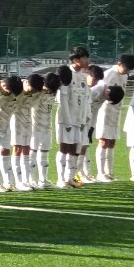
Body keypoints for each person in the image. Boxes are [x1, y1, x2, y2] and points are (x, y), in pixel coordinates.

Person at [94, 54, 134, 182]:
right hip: (105, 111)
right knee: (103, 141)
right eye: (126, 69)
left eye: (129, 70)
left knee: (112, 141)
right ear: (119, 64)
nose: (127, 72)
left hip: (117, 111)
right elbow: (101, 92)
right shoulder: (108, 74)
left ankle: (109, 172)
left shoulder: (124, 75)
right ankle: (100, 173)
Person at [54, 46, 91, 188]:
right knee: (64, 147)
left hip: (79, 119)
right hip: (66, 119)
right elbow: (62, 100)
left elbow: (85, 99)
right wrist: (68, 121)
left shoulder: (83, 76)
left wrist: (84, 118)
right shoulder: (65, 74)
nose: (87, 60)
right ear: (76, 59)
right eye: (84, 58)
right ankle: (60, 179)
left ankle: (70, 178)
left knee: (75, 149)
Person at [10, 74, 43, 192]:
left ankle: (26, 180)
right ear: (27, 83)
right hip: (16, 121)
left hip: (28, 121)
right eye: (32, 90)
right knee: (17, 149)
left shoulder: (36, 92)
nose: (33, 93)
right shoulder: (17, 87)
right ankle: (18, 182)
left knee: (26, 150)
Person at [74, 64, 106, 184]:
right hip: (76, 122)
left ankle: (83, 173)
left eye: (97, 80)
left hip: (86, 122)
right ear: (87, 74)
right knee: (78, 147)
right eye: (94, 79)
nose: (95, 82)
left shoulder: (94, 90)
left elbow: (94, 110)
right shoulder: (89, 90)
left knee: (85, 145)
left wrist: (92, 127)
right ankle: (76, 173)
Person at [30, 72, 61, 188]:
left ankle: (43, 180)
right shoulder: (37, 92)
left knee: (44, 153)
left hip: (47, 126)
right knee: (32, 153)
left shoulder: (53, 92)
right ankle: (31, 180)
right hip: (35, 127)